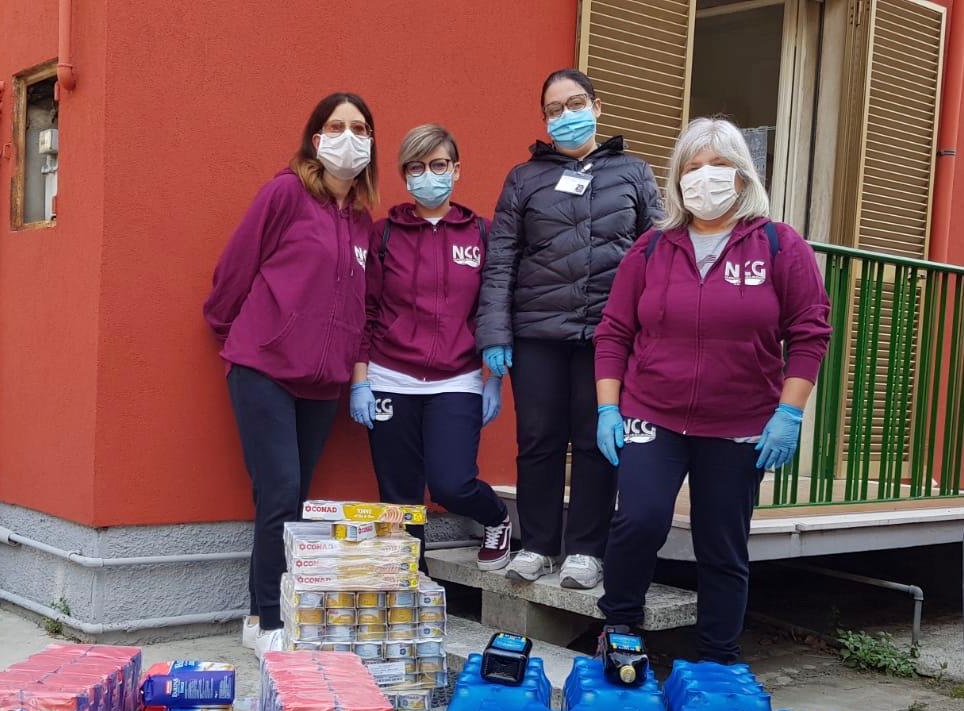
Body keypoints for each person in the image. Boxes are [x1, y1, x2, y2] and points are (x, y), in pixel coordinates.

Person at [593, 117, 832, 663]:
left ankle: (718, 657)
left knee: (721, 543)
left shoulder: (779, 245)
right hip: (652, 410)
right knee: (639, 520)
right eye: (693, 167)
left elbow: (810, 332)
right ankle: (620, 627)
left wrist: (789, 414)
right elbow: (614, 331)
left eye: (719, 164)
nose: (706, 177)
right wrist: (608, 408)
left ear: (743, 175)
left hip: (740, 421)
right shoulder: (652, 248)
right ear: (677, 179)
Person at [203, 93, 378, 658]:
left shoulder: (363, 223)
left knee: (292, 498)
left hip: (322, 384)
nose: (348, 137)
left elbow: (364, 306)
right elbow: (236, 266)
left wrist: (353, 373)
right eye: (336, 126)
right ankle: (269, 621)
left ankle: (259, 614)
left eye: (359, 128)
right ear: (315, 138)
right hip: (264, 369)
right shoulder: (285, 194)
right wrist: (238, 332)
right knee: (279, 490)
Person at [475, 68, 661, 589]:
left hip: (608, 334)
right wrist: (495, 333)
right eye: (554, 110)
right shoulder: (524, 178)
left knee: (596, 439)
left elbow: (657, 253)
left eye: (575, 104)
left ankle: (586, 551)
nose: (565, 116)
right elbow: (501, 260)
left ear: (596, 107)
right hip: (537, 331)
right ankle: (537, 544)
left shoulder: (634, 172)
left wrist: (650, 332)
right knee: (538, 439)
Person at [349, 124, 512, 571]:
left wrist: (494, 379)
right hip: (389, 378)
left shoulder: (482, 234)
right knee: (399, 498)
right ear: (404, 175)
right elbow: (366, 311)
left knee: (450, 484)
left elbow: (494, 310)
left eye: (438, 165)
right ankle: (411, 584)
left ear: (456, 170)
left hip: (457, 379)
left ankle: (496, 517)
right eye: (416, 167)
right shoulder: (384, 234)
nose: (428, 175)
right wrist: (360, 382)